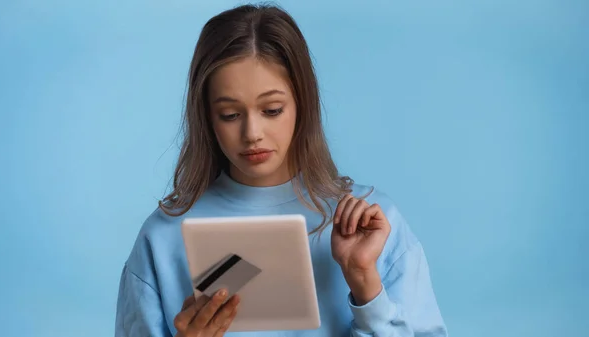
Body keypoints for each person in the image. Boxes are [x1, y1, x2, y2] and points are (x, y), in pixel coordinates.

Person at [115, 3, 448, 337]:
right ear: (206, 117)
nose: (252, 133)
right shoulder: (160, 238)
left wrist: (364, 283)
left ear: (302, 102)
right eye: (230, 115)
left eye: (272, 110)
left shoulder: (373, 227)